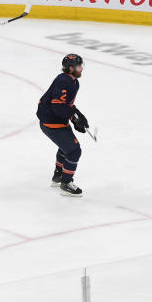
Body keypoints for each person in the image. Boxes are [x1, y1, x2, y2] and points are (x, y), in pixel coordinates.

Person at [37, 53, 89, 197]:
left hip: (56, 120)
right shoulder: (64, 81)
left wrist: (75, 115)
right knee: (74, 151)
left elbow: (65, 105)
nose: (81, 69)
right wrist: (73, 116)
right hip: (51, 122)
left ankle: (58, 176)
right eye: (79, 66)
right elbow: (58, 107)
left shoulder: (73, 82)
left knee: (67, 148)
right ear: (71, 68)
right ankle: (66, 183)